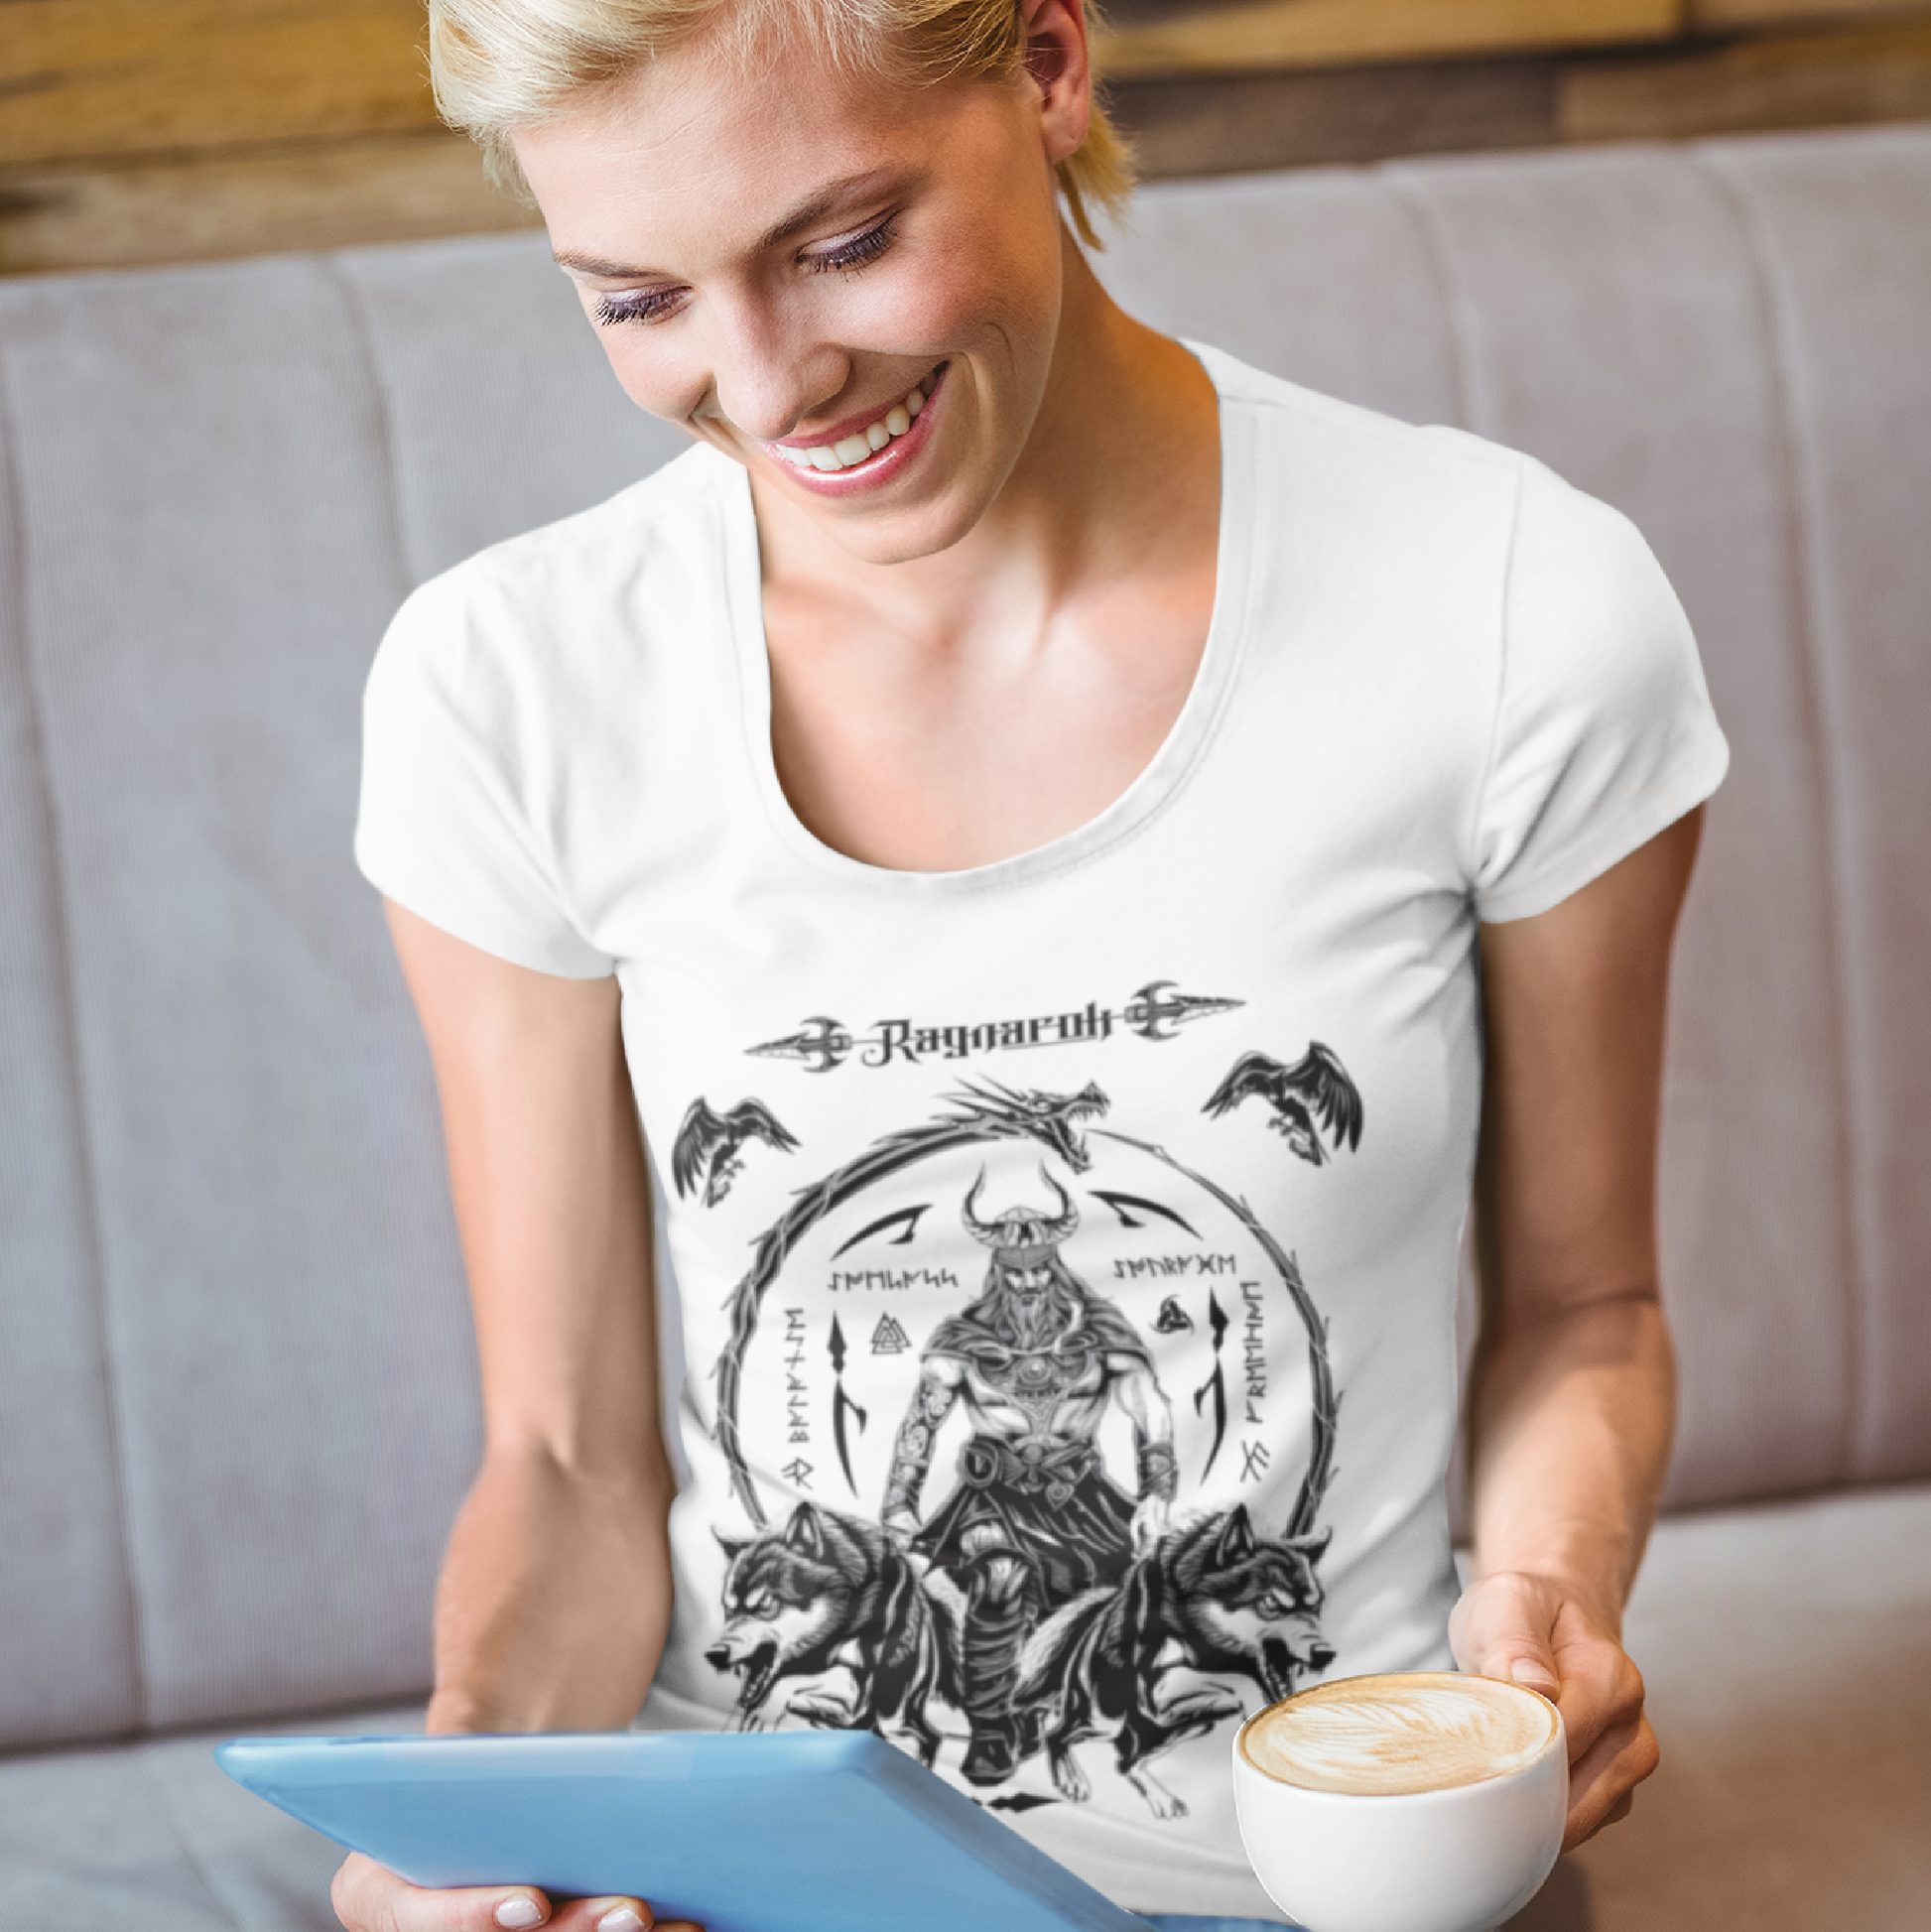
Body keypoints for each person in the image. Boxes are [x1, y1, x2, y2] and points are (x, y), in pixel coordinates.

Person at [334, 0, 1729, 1924]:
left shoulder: (1506, 606)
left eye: (842, 243)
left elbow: (1584, 1306)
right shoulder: (507, 688)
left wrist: (1545, 1613)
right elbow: (566, 1464)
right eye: (637, 299)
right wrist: (478, 1825)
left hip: (1339, 1876)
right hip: (750, 1895)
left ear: (1050, 62)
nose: (767, 388)